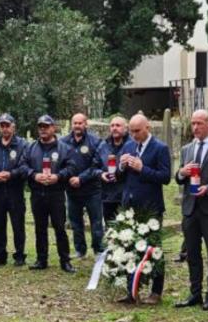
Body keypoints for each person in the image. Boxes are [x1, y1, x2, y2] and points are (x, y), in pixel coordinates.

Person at [114, 113, 172, 302]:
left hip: (151, 207)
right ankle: (132, 289)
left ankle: (156, 292)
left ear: (148, 128)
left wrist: (142, 168)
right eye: (131, 131)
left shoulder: (160, 148)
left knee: (153, 248)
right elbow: (118, 176)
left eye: (137, 131)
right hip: (129, 205)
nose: (134, 135)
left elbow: (165, 177)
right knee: (129, 246)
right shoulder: (129, 145)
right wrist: (121, 167)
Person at [175, 109, 208, 310]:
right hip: (190, 207)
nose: (195, 127)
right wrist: (181, 172)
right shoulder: (187, 149)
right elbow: (178, 177)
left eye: (199, 123)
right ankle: (194, 293)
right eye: (193, 124)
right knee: (192, 253)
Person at [18, 115, 74, 272]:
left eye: (46, 126)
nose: (43, 129)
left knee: (60, 228)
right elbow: (22, 166)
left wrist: (58, 176)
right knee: (40, 228)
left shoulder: (64, 148)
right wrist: (34, 175)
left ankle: (65, 261)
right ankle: (41, 260)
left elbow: (71, 168)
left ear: (53, 128)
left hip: (56, 194)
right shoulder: (30, 148)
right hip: (37, 193)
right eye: (40, 126)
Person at [0, 114, 29, 266]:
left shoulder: (22, 144)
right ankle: (0, 255)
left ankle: (20, 255)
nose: (5, 128)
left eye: (7, 125)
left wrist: (11, 174)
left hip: (14, 190)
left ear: (13, 126)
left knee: (18, 224)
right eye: (2, 125)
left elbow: (24, 166)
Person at [63, 113, 108, 260]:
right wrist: (69, 178)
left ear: (86, 124)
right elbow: (60, 164)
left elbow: (97, 164)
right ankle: (80, 251)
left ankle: (98, 249)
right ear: (71, 125)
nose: (77, 126)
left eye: (80, 123)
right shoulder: (63, 142)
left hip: (92, 190)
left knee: (96, 223)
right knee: (75, 223)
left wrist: (81, 179)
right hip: (72, 190)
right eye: (74, 123)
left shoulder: (95, 142)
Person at [99, 116, 130, 224]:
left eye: (118, 125)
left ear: (125, 128)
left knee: (127, 232)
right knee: (110, 232)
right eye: (112, 125)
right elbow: (94, 166)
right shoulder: (103, 146)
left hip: (126, 196)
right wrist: (101, 174)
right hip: (108, 197)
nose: (114, 128)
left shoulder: (132, 145)